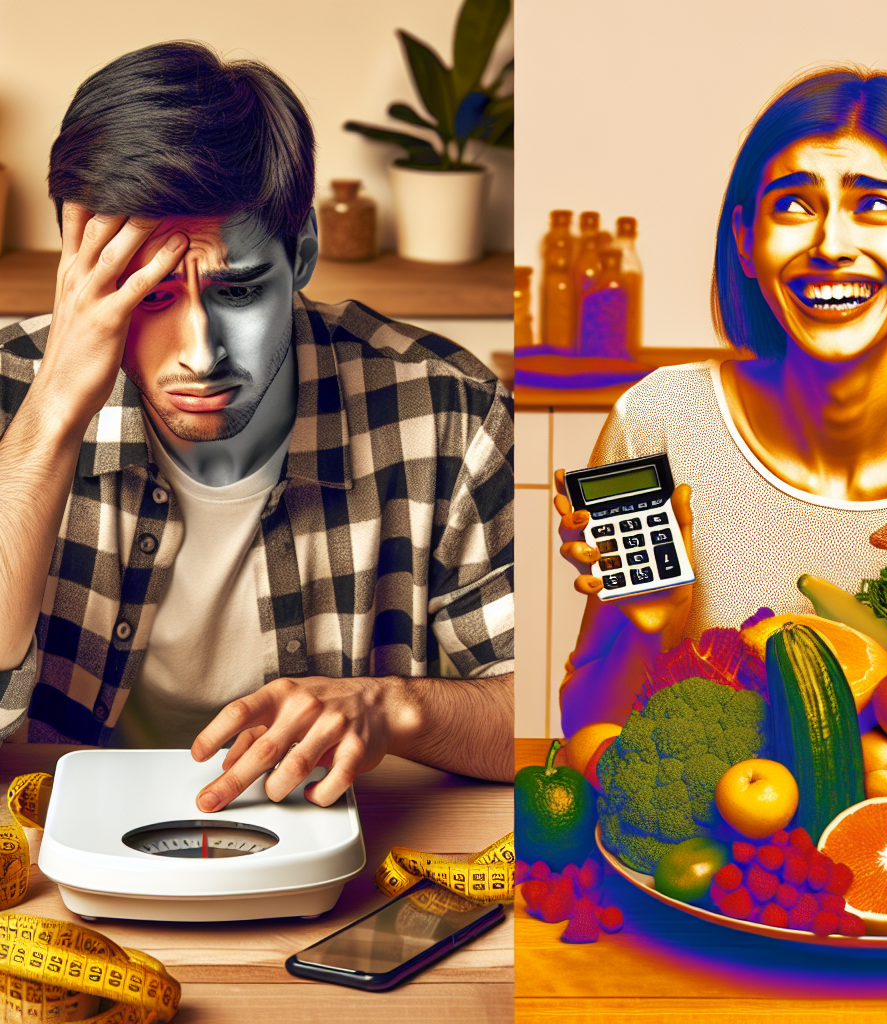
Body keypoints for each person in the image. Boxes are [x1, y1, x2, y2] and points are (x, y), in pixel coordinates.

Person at [0, 42, 514, 809]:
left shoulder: (449, 410)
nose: (201, 354)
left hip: (353, 857)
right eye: (149, 296)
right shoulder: (10, 391)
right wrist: (45, 424)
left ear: (302, 252)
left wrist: (395, 708)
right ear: (78, 274)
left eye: (238, 291)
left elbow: (544, 725)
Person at [555, 66, 887, 733]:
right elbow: (585, 732)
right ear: (746, 242)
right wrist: (651, 623)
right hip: (738, 836)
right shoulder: (652, 422)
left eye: (875, 206)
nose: (831, 245)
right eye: (794, 206)